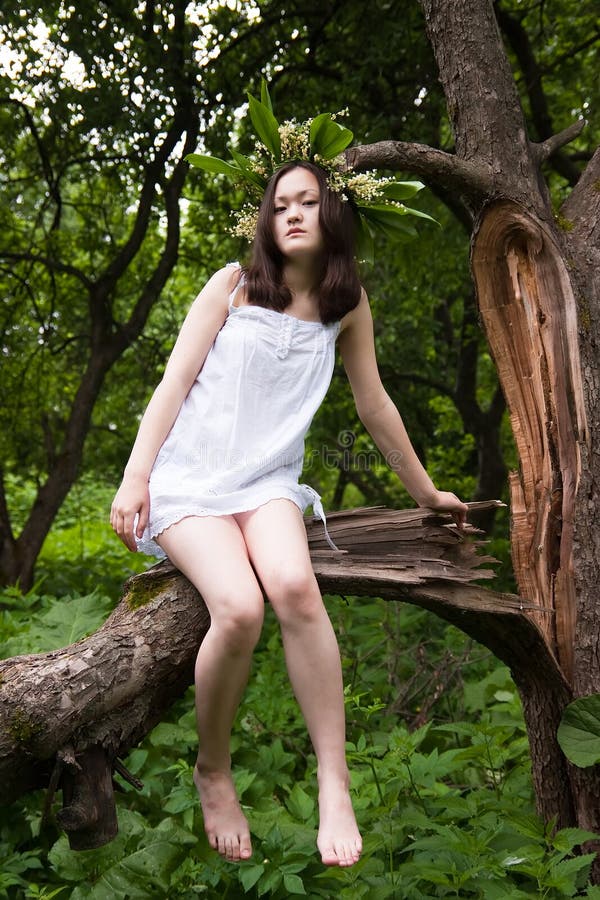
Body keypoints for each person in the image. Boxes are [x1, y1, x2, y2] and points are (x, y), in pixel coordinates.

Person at [110, 157, 468, 867]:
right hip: (191, 482)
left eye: (308, 201)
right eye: (281, 205)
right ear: (267, 222)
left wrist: (428, 493)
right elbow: (173, 383)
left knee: (296, 588)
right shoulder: (232, 286)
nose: (294, 214)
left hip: (268, 483)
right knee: (239, 607)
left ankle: (334, 781)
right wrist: (135, 477)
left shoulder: (347, 302)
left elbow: (375, 406)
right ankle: (214, 770)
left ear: (332, 212)